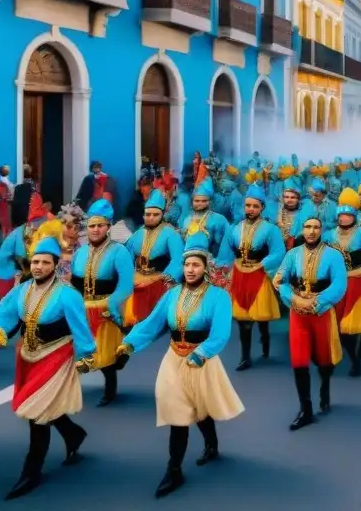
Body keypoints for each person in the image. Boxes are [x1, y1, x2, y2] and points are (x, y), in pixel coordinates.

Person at [117, 234, 244, 497]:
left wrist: (201, 354)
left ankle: (210, 443)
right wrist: (128, 345)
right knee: (177, 411)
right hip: (174, 358)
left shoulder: (218, 297)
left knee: (200, 407)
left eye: (195, 265)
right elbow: (153, 324)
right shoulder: (172, 294)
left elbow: (220, 334)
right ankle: (174, 470)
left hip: (202, 360)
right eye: (187, 265)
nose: (189, 269)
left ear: (205, 268)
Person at [0, 236, 96, 500]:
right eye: (35, 262)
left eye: (45, 262)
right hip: (28, 354)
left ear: (55, 265)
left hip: (57, 353)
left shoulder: (67, 294)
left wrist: (86, 355)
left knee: (37, 413)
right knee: (44, 407)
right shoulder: (22, 289)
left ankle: (31, 472)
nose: (39, 266)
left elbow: (81, 328)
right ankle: (73, 434)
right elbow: (3, 313)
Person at [275, 215, 347, 430]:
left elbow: (340, 285)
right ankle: (305, 409)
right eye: (307, 227)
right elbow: (280, 280)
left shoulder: (334, 256)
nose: (311, 231)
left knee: (324, 360)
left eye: (316, 227)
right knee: (299, 361)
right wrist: (293, 298)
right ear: (302, 230)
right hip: (298, 314)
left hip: (321, 314)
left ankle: (325, 385)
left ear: (322, 230)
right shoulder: (292, 254)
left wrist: (319, 301)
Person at [69, 198, 134, 406]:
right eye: (92, 226)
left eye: (100, 225)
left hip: (106, 308)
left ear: (108, 226)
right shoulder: (79, 252)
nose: (95, 230)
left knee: (104, 355)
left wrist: (112, 304)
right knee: (77, 352)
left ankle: (110, 389)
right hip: (82, 308)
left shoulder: (119, 251)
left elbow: (125, 285)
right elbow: (72, 283)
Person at [217, 183, 286, 370]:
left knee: (259, 315)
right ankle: (245, 356)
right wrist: (222, 267)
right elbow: (226, 250)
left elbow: (279, 252)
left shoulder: (271, 230)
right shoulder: (234, 228)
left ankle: (265, 337)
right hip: (239, 274)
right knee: (243, 320)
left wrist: (263, 264)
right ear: (244, 206)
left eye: (255, 206)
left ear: (262, 208)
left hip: (259, 274)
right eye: (248, 205)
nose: (251, 209)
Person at [323, 188, 361, 377]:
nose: (344, 219)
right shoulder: (328, 235)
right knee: (341, 328)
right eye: (342, 215)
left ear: (354, 216)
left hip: (357, 283)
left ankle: (358, 359)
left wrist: (360, 272)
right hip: (336, 284)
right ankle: (354, 358)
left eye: (348, 215)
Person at [123, 189, 183, 329]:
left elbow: (178, 260)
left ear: (162, 215)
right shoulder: (137, 234)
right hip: (138, 277)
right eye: (147, 214)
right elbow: (127, 258)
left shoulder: (171, 234)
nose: (150, 218)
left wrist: (164, 278)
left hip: (159, 278)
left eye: (155, 215)